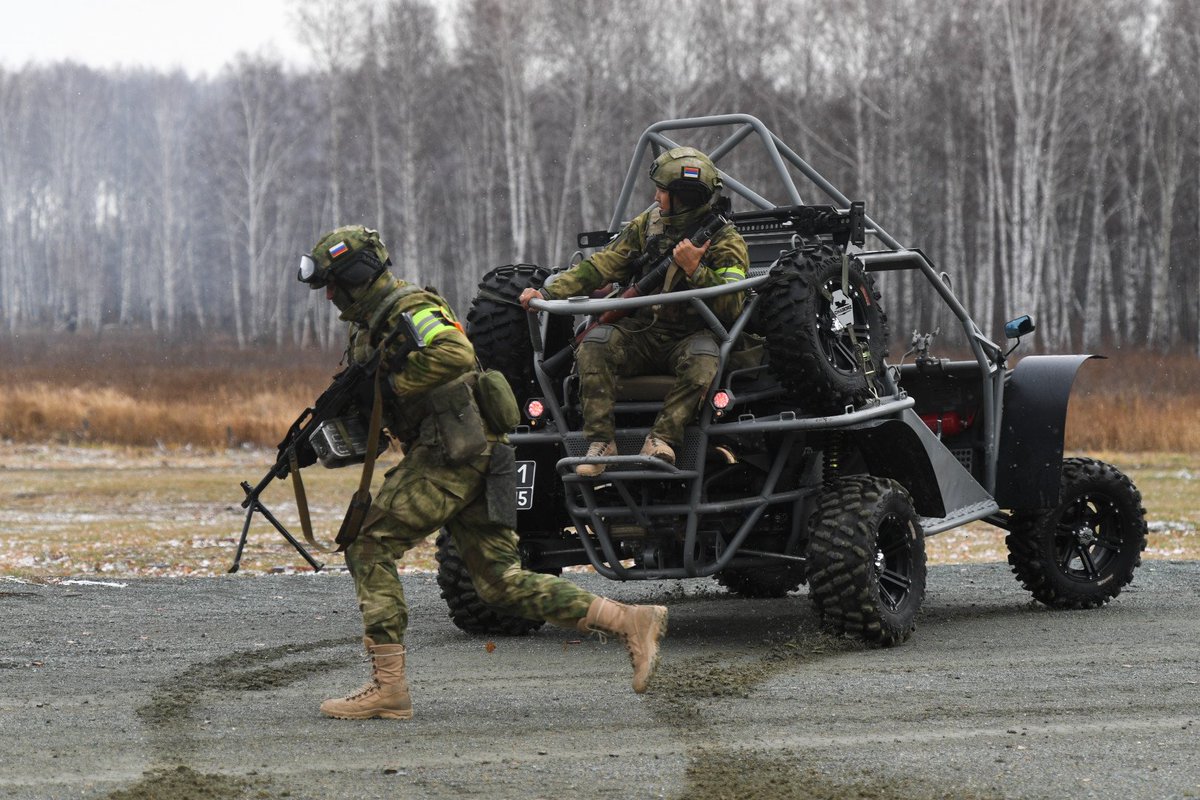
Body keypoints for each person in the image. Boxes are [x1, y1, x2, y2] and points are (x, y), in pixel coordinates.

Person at [297, 225, 668, 720]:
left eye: (333, 283)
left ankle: (389, 688)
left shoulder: (409, 309)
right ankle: (629, 621)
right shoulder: (368, 323)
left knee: (367, 543)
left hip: (453, 454)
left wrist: (390, 385)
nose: (328, 294)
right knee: (497, 583)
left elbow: (456, 353)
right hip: (473, 452)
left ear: (355, 276)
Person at [519, 147, 748, 476]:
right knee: (595, 344)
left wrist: (695, 270)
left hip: (690, 336)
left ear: (684, 197)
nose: (656, 197)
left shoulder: (726, 241)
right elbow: (602, 266)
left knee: (703, 358)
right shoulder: (649, 226)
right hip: (641, 332)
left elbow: (732, 306)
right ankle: (600, 443)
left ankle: (661, 440)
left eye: (663, 191)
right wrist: (546, 291)